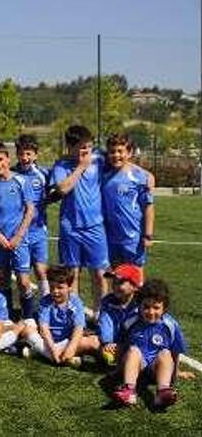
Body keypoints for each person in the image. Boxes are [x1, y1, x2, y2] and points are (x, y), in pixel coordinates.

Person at [51, 125, 110, 309]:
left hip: (95, 227)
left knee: (100, 274)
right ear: (70, 147)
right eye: (82, 147)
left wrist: (146, 175)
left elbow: (121, 161)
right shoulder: (62, 165)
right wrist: (81, 168)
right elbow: (62, 189)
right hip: (71, 228)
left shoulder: (99, 160)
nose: (86, 151)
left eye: (89, 147)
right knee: (72, 274)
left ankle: (102, 315)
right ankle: (76, 317)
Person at [112, 279, 187, 409]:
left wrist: (176, 373)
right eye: (146, 307)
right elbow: (121, 345)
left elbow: (175, 352)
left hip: (155, 369)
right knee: (134, 350)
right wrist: (118, 369)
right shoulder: (131, 321)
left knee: (165, 353)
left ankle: (162, 391)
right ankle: (129, 390)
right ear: (139, 305)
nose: (151, 312)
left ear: (164, 308)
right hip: (135, 367)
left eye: (156, 307)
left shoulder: (170, 325)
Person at [0, 141, 35, 319]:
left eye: (0, 159)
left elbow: (30, 210)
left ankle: (28, 319)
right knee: (2, 281)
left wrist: (18, 236)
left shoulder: (21, 180)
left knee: (23, 281)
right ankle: (7, 319)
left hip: (19, 241)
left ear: (8, 158)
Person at [22, 265, 98, 367]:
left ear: (69, 287)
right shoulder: (45, 302)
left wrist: (71, 348)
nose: (55, 291)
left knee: (92, 340)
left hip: (67, 341)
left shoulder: (75, 302)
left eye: (60, 287)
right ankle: (60, 358)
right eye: (52, 287)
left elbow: (78, 328)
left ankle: (40, 353)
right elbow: (44, 329)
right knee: (27, 329)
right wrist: (53, 351)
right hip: (49, 343)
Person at [102, 133, 155, 269]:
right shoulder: (103, 175)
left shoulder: (140, 177)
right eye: (112, 152)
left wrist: (148, 234)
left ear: (130, 153)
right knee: (115, 276)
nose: (116, 155)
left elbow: (148, 207)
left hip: (132, 236)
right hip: (109, 236)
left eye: (121, 151)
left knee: (135, 277)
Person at [13, 134, 51, 294]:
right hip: (18, 232)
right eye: (21, 153)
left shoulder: (43, 174)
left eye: (28, 154)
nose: (25, 157)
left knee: (41, 271)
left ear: (35, 155)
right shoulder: (12, 174)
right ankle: (28, 312)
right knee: (22, 278)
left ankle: (46, 307)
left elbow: (52, 193)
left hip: (38, 231)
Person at [96, 263, 143, 366]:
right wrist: (107, 342)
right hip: (110, 344)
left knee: (135, 351)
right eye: (114, 282)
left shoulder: (142, 306)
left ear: (134, 286)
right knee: (89, 342)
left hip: (132, 345)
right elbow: (105, 322)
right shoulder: (108, 301)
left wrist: (123, 346)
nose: (116, 286)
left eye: (121, 282)